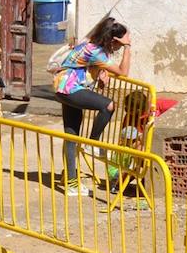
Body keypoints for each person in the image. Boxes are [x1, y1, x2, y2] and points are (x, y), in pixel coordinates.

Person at [54, 16, 133, 196]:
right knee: (109, 105)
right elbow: (123, 72)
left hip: (63, 87)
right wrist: (128, 48)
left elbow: (85, 68)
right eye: (119, 45)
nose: (119, 49)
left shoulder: (89, 44)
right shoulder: (96, 52)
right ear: (113, 41)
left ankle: (71, 182)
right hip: (71, 88)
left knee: (71, 136)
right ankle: (93, 142)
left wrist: (99, 76)